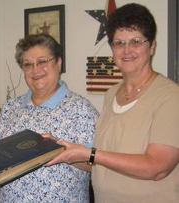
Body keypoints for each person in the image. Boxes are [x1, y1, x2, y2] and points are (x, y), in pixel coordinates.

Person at [46, 3, 179, 203]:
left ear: (152, 46)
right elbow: (103, 161)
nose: (127, 50)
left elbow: (157, 167)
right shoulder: (111, 94)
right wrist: (65, 150)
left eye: (136, 41)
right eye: (119, 43)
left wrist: (91, 154)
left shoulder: (170, 97)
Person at [0, 33, 99, 203]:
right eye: (28, 65)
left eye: (42, 61)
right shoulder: (10, 109)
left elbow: (98, 166)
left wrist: (64, 153)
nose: (35, 70)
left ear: (58, 62)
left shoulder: (82, 111)